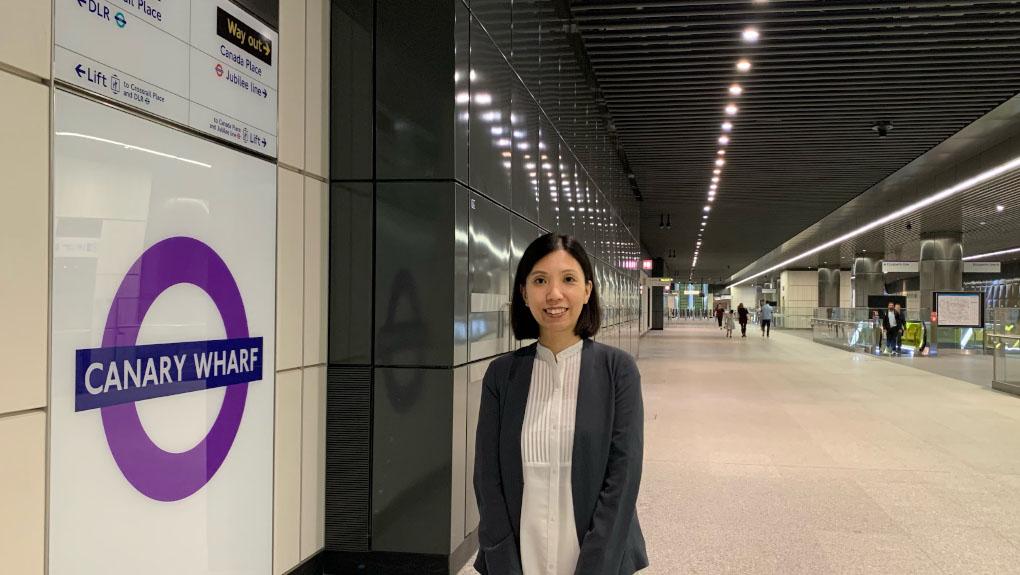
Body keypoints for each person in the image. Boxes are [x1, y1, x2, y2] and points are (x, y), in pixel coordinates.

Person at [473, 233, 648, 575]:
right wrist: (504, 563)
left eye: (568, 279)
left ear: (587, 290)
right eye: (540, 281)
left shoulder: (618, 371)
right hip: (521, 558)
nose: (554, 294)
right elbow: (487, 478)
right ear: (524, 293)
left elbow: (623, 479)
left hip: (596, 559)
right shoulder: (502, 376)